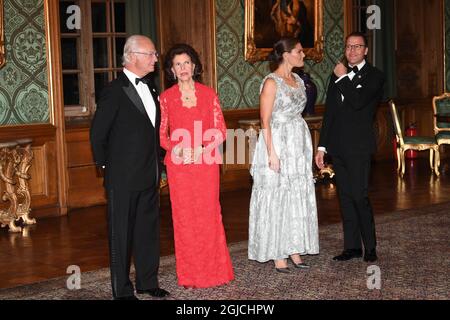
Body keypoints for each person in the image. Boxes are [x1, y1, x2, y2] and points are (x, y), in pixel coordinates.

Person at [90, 35, 169, 300]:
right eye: (151, 54)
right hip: (122, 177)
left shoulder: (153, 88)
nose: (155, 58)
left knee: (148, 231)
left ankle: (147, 282)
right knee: (121, 236)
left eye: (155, 54)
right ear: (133, 56)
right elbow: (98, 132)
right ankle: (122, 291)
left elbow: (152, 130)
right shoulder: (114, 90)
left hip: (149, 173)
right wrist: (106, 167)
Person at [159, 44, 234, 288]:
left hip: (206, 163)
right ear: (171, 69)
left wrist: (201, 149)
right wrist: (178, 149)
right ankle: (190, 275)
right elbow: (162, 136)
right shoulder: (166, 98)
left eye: (186, 63)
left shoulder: (209, 94)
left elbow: (220, 131)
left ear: (194, 66)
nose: (182, 68)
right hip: (180, 166)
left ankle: (216, 272)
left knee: (209, 214)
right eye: (177, 64)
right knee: (184, 218)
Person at [248, 37, 319, 273]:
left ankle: (294, 247)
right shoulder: (271, 82)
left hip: (297, 143)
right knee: (278, 194)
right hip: (277, 141)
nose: (303, 55)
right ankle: (278, 253)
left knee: (296, 194)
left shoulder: (298, 80)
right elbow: (264, 121)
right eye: (299, 51)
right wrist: (272, 153)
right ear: (286, 54)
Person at [315, 32, 385, 263]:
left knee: (359, 196)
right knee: (345, 198)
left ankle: (370, 247)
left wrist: (343, 77)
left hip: (359, 147)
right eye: (348, 47)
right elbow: (331, 114)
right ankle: (352, 247)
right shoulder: (337, 75)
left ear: (366, 50)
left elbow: (357, 101)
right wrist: (322, 147)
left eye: (357, 47)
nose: (352, 51)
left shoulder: (375, 76)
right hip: (338, 146)